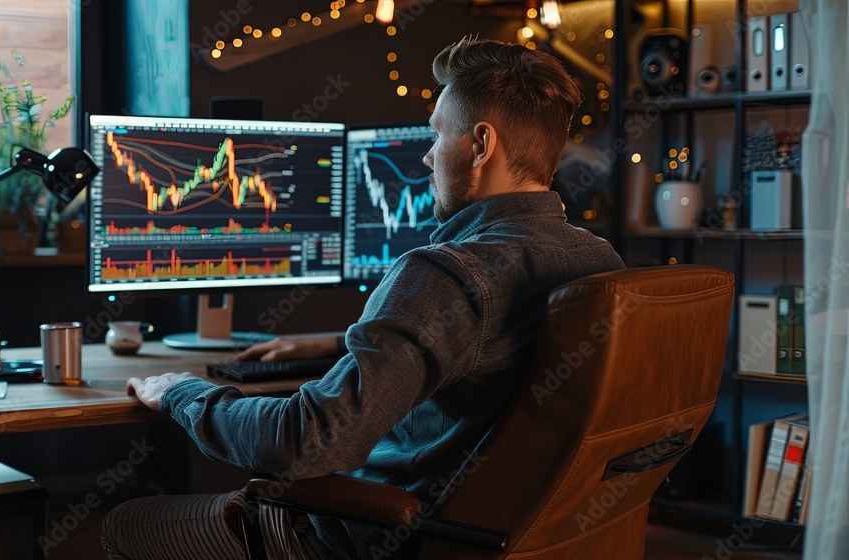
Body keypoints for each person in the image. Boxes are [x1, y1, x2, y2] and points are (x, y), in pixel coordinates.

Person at [101, 36, 625, 560]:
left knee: (124, 525)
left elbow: (304, 441)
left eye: (437, 134)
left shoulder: (446, 273)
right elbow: (486, 346)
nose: (426, 155)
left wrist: (182, 393)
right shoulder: (600, 264)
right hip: (512, 537)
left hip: (370, 536)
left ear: (481, 145)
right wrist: (332, 343)